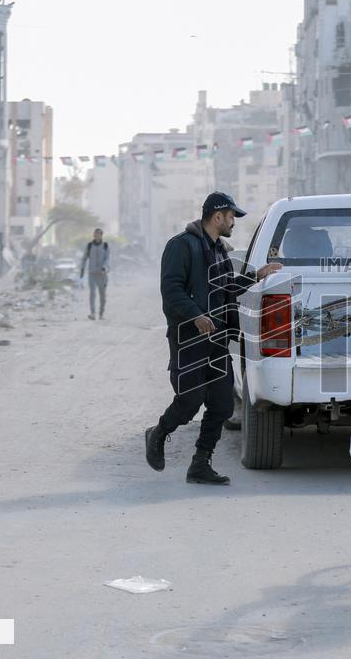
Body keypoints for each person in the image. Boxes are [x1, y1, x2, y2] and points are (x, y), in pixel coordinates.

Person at [144, 192, 281, 485]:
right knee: (189, 401)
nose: (233, 222)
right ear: (217, 216)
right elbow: (171, 290)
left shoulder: (220, 250)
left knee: (222, 405)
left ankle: (200, 464)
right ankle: (159, 432)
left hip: (217, 340)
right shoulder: (181, 246)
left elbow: (226, 288)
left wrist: (256, 276)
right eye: (231, 216)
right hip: (189, 339)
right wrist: (196, 316)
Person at [80, 228, 110, 320]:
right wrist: (82, 269)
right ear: (93, 235)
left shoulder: (105, 246)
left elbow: (107, 259)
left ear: (101, 235)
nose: (96, 235)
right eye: (95, 234)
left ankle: (101, 314)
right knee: (92, 293)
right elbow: (84, 258)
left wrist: (104, 268)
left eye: (98, 234)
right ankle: (92, 313)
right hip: (92, 273)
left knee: (102, 295)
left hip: (102, 274)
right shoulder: (89, 246)